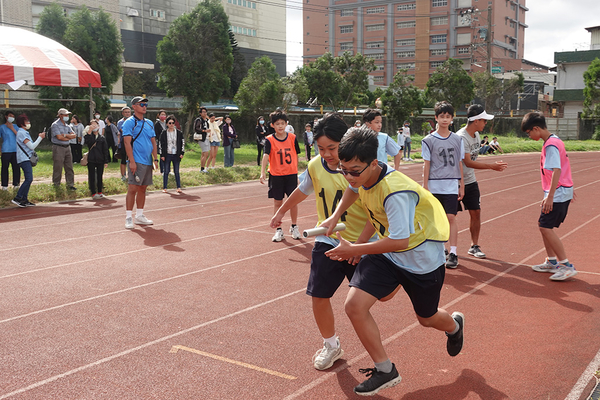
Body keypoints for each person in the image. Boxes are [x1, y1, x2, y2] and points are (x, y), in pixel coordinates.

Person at [320, 126, 464, 396]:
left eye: (354, 170)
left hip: (421, 260)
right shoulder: (364, 175)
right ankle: (386, 370)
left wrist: (356, 249)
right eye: (344, 169)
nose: (349, 176)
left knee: (427, 318)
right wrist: (336, 215)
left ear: (374, 163)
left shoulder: (396, 192)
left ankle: (455, 326)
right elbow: (356, 192)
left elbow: (401, 241)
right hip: (387, 254)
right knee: (354, 306)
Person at [270, 113, 370, 371]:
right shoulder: (315, 166)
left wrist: (359, 245)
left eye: (332, 148)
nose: (326, 154)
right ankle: (331, 344)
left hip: (362, 241)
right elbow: (303, 189)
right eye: (321, 148)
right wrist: (281, 212)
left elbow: (376, 209)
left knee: (381, 295)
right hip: (327, 241)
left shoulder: (361, 169)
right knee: (319, 294)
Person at [522, 112, 577, 281]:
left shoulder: (551, 145)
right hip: (561, 190)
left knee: (545, 227)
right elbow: (563, 167)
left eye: (529, 133)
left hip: (557, 193)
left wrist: (551, 196)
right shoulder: (555, 140)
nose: (529, 136)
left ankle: (566, 265)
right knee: (544, 226)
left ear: (536, 128)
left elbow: (556, 170)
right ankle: (553, 262)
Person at [457, 105, 508, 259]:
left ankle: (474, 246)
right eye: (484, 120)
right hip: (456, 182)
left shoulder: (477, 135)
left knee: (476, 212)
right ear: (475, 120)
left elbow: (472, 160)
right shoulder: (461, 137)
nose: (485, 123)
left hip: (471, 181)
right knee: (450, 216)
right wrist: (491, 166)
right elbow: (467, 162)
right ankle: (447, 248)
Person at [422, 101, 465, 268]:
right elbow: (426, 164)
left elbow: (459, 163)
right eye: (442, 117)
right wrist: (424, 186)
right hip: (434, 185)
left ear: (452, 118)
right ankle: (441, 249)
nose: (445, 120)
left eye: (448, 117)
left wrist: (462, 184)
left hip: (451, 184)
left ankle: (453, 252)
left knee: (451, 217)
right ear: (436, 118)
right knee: (435, 220)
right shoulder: (428, 140)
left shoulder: (457, 140)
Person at [260, 109, 302, 242]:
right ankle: (279, 230)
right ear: (272, 125)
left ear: (286, 124)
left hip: (291, 175)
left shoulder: (292, 138)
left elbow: (296, 156)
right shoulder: (269, 140)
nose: (280, 126)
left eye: (282, 123)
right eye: (277, 123)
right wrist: (262, 172)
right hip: (276, 175)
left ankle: (294, 226)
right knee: (278, 202)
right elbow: (265, 156)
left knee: (293, 201)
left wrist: (297, 173)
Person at [122, 96, 158, 229]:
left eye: (145, 105)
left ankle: (139, 215)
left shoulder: (149, 122)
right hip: (136, 161)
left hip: (147, 161)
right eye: (141, 104)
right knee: (132, 188)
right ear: (134, 107)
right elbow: (127, 142)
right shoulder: (130, 122)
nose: (144, 107)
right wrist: (132, 161)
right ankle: (128, 217)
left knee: (143, 188)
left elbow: (153, 141)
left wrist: (155, 159)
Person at [11, 114, 46, 207]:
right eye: (26, 121)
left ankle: (24, 199)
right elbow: (32, 146)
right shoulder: (22, 133)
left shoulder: (24, 132)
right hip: (24, 159)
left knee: (28, 179)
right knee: (29, 178)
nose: (28, 123)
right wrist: (40, 137)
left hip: (25, 158)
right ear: (22, 123)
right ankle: (18, 197)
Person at [50, 108, 77, 190]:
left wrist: (65, 136)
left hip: (67, 147)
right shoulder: (55, 125)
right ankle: (56, 184)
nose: (67, 116)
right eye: (65, 115)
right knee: (58, 167)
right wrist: (68, 137)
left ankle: (70, 184)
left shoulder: (67, 125)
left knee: (69, 167)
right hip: (58, 147)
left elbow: (74, 135)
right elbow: (59, 137)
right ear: (60, 115)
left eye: (67, 115)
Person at [83, 120, 109, 200]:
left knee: (99, 176)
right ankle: (93, 192)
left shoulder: (102, 138)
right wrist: (89, 131)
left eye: (95, 125)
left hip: (100, 159)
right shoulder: (88, 136)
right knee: (92, 176)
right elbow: (88, 142)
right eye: (92, 125)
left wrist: (106, 161)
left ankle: (100, 192)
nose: (94, 127)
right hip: (91, 159)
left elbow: (105, 150)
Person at [159, 115, 184, 193]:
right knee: (166, 171)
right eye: (169, 123)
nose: (171, 124)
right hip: (167, 154)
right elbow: (160, 144)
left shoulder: (179, 133)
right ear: (167, 124)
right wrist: (162, 155)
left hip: (176, 154)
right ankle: (165, 187)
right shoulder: (163, 133)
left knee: (176, 171)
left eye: (173, 123)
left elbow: (182, 143)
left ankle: (178, 187)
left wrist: (182, 153)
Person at [0, 110, 20, 190]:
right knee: (5, 168)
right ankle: (4, 185)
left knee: (16, 168)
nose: (11, 118)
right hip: (6, 150)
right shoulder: (2, 127)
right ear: (6, 117)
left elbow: (19, 136)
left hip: (15, 150)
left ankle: (16, 184)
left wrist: (12, 128)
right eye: (10, 116)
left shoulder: (16, 126)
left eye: (13, 116)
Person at [194, 107, 211, 172]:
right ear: (200, 113)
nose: (205, 113)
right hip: (201, 138)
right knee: (206, 153)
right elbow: (196, 128)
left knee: (204, 153)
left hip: (206, 138)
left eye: (205, 112)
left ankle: (202, 167)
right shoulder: (199, 120)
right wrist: (204, 131)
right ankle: (202, 168)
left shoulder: (206, 120)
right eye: (203, 112)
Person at [117, 106, 131, 181]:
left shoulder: (134, 120)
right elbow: (123, 130)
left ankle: (131, 175)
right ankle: (123, 176)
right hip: (124, 142)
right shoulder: (120, 122)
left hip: (133, 142)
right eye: (126, 112)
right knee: (123, 159)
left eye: (128, 112)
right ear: (122, 113)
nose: (127, 114)